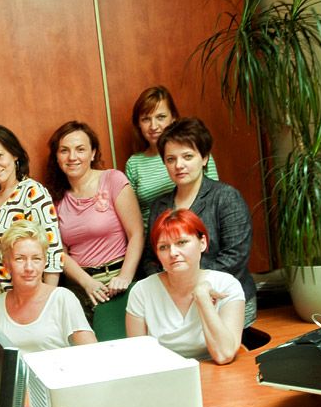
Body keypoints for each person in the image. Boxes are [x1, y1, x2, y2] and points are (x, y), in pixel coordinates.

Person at [143, 117, 256, 326]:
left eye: (187, 156)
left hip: (222, 298)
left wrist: (189, 283)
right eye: (170, 159)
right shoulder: (159, 206)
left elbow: (235, 256)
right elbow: (150, 258)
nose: (179, 165)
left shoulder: (225, 197)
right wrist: (169, 287)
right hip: (173, 302)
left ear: (204, 158)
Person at [0, 220, 96, 379]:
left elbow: (93, 355)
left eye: (36, 259)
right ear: (6, 264)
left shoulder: (62, 299)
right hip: (11, 392)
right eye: (20, 259)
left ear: (45, 262)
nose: (29, 268)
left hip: (54, 389)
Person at [46, 120, 143, 342]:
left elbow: (136, 233)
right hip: (80, 287)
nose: (72, 157)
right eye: (64, 150)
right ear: (57, 157)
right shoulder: (54, 197)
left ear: (92, 153)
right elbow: (59, 252)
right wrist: (86, 283)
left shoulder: (113, 179)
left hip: (120, 283)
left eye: (80, 149)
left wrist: (125, 277)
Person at [127, 209, 244, 363]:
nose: (173, 253)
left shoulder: (227, 285)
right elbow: (139, 359)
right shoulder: (142, 291)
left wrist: (202, 297)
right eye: (163, 247)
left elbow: (224, 355)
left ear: (202, 243)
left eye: (181, 242)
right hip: (163, 373)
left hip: (216, 372)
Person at [0, 124, 63, 300]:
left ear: (14, 154)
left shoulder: (32, 191)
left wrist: (46, 301)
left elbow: (53, 250)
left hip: (30, 295)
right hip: (0, 297)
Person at [125, 86, 219, 227]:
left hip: (197, 230)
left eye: (161, 117)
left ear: (173, 118)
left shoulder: (196, 153)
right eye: (146, 119)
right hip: (154, 234)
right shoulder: (134, 164)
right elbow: (132, 217)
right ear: (138, 124)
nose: (153, 126)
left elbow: (213, 198)